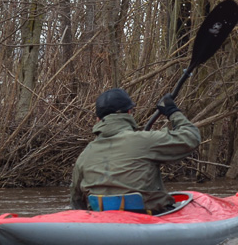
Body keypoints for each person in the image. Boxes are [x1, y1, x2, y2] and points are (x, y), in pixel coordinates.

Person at [69, 88, 202, 214]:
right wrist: (172, 111)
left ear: (98, 119)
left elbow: (76, 200)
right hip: (150, 217)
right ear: (129, 112)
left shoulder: (85, 154)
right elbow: (191, 137)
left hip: (103, 221)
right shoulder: (146, 141)